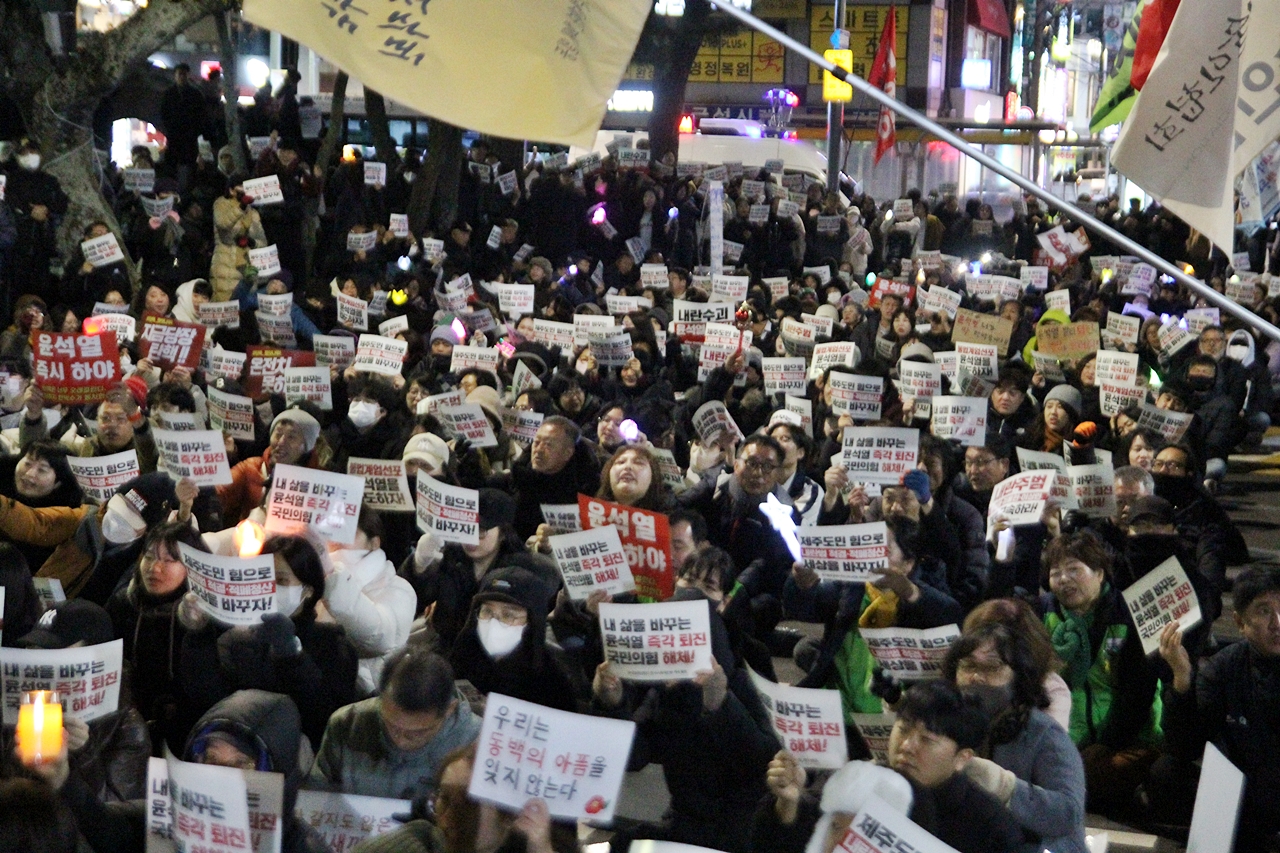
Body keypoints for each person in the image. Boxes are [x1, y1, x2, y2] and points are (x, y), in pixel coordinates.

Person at [788, 518, 962, 726]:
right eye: (871, 548)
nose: (874, 556)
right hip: (836, 710)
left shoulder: (921, 600)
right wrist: (802, 585)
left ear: (908, 564)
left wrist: (909, 592)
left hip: (889, 717)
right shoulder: (850, 588)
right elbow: (802, 609)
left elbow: (951, 616)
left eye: (885, 549)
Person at [1040, 532, 1165, 818]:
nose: (1064, 579)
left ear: (1099, 573)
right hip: (1065, 737)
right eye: (1055, 573)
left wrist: (1105, 744)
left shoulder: (1130, 614)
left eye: (1074, 570)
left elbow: (1138, 692)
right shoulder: (1043, 614)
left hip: (1126, 739)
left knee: (1096, 775)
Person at [1158, 566, 1280, 852]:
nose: (1277, 622)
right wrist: (1182, 678)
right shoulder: (1223, 670)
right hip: (1247, 796)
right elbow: (1183, 746)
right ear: (1239, 622)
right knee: (1165, 772)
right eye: (1264, 611)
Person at [944, 623, 1088, 853]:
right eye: (968, 666)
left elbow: (1068, 814)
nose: (976, 677)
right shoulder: (948, 724)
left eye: (991, 667)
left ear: (1017, 676)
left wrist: (1005, 787)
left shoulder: (1045, 733)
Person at [15, 600, 150, 805]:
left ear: (97, 662)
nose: (42, 665)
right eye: (35, 651)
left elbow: (113, 820)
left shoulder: (127, 728)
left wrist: (83, 754)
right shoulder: (21, 702)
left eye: (57, 657)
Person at [310, 647, 481, 803]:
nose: (400, 741)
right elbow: (318, 797)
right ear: (380, 698)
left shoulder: (476, 744)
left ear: (449, 710)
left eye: (416, 733)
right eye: (390, 725)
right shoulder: (347, 725)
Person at [885, 681, 1028, 853]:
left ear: (962, 758)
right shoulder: (865, 785)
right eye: (903, 730)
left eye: (927, 740)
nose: (906, 746)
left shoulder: (990, 828)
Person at [183, 690, 330, 853]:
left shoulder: (306, 849)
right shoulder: (166, 830)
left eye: (242, 763)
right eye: (212, 759)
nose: (223, 775)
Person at [403, 488, 530, 654]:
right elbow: (411, 602)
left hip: (495, 655)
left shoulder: (520, 569)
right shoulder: (449, 557)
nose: (471, 538)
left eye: (481, 532)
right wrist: (419, 566)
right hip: (445, 649)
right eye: (466, 528)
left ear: (503, 533)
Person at [448, 567, 578, 711]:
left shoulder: (551, 683)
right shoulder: (460, 658)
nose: (494, 622)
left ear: (532, 621)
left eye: (508, 615)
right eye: (487, 611)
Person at [323, 508, 418, 695]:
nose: (337, 540)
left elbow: (382, 639)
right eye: (330, 532)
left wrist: (339, 584)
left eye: (348, 532)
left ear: (374, 543)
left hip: (369, 693)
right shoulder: (306, 578)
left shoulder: (399, 588)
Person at [218, 405, 326, 524]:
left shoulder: (322, 484)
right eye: (278, 434)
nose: (281, 442)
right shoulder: (251, 468)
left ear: (307, 446)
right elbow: (217, 495)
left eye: (291, 437)